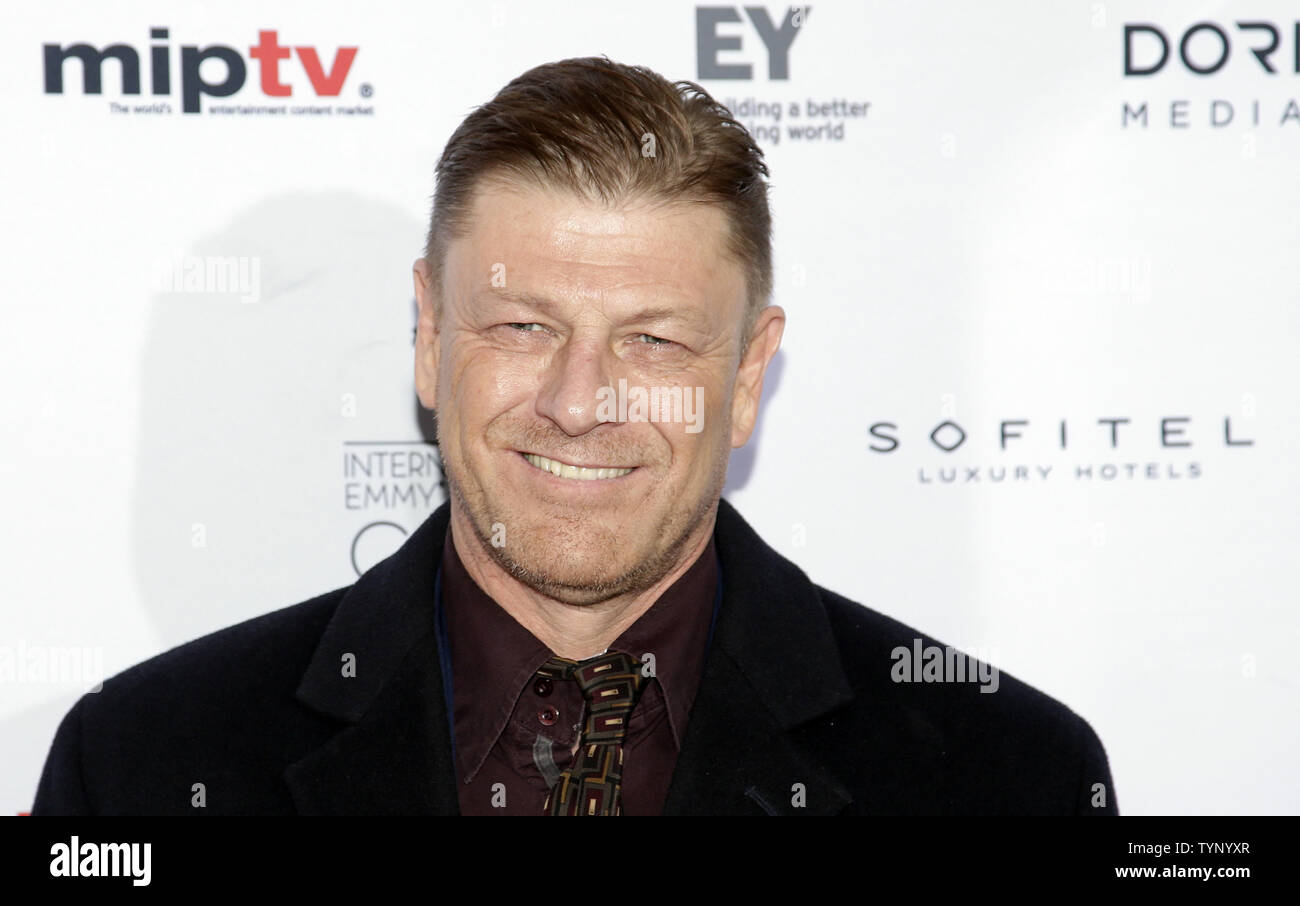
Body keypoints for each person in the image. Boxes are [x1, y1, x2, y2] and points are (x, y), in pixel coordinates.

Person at [33, 56, 1116, 816]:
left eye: (651, 341)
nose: (578, 399)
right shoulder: (140, 762)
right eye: (522, 326)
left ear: (746, 376)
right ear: (427, 335)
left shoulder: (1002, 773)